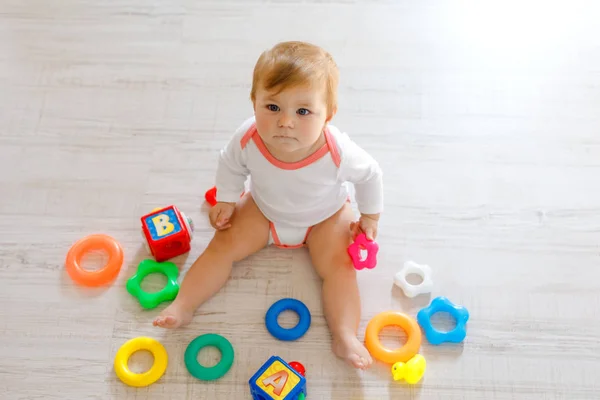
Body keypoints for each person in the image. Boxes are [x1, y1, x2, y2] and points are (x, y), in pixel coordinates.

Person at [153, 41, 383, 370]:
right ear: (254, 102)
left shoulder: (338, 151)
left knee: (340, 270)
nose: (285, 122)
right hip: (263, 211)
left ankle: (344, 335)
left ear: (328, 116)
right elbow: (230, 164)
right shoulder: (247, 138)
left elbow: (371, 174)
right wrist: (227, 199)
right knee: (221, 247)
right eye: (272, 107)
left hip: (325, 218)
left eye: (303, 112)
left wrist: (370, 215)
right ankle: (183, 305)